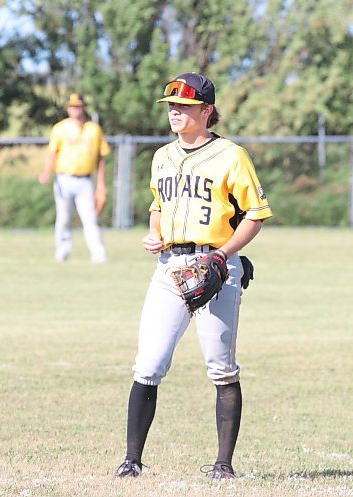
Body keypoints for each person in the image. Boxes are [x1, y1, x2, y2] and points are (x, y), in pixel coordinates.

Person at [115, 72, 273, 480]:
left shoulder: (231, 155)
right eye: (171, 107)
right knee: (148, 363)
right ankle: (131, 460)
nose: (175, 113)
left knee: (220, 366)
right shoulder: (161, 155)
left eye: (184, 107)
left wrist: (224, 255)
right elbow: (157, 203)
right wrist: (154, 233)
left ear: (207, 111)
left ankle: (223, 463)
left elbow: (254, 215)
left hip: (215, 267)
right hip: (169, 268)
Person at [38, 93, 110, 263]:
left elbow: (101, 157)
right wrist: (46, 172)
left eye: (77, 106)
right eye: (71, 106)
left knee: (90, 218)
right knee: (63, 218)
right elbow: (52, 153)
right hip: (64, 178)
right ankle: (62, 252)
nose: (74, 109)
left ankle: (98, 254)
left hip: (85, 180)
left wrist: (101, 184)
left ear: (83, 107)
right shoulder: (60, 128)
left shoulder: (94, 129)